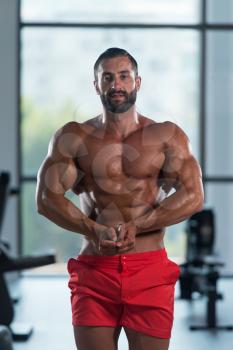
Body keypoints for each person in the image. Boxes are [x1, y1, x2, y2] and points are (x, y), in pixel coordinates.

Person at [36, 47, 204, 350]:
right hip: (95, 271)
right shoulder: (74, 137)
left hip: (149, 270)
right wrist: (93, 229)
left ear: (137, 82)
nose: (116, 85)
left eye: (124, 76)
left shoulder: (167, 135)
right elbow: (47, 197)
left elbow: (194, 195)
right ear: (96, 85)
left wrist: (139, 226)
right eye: (108, 77)